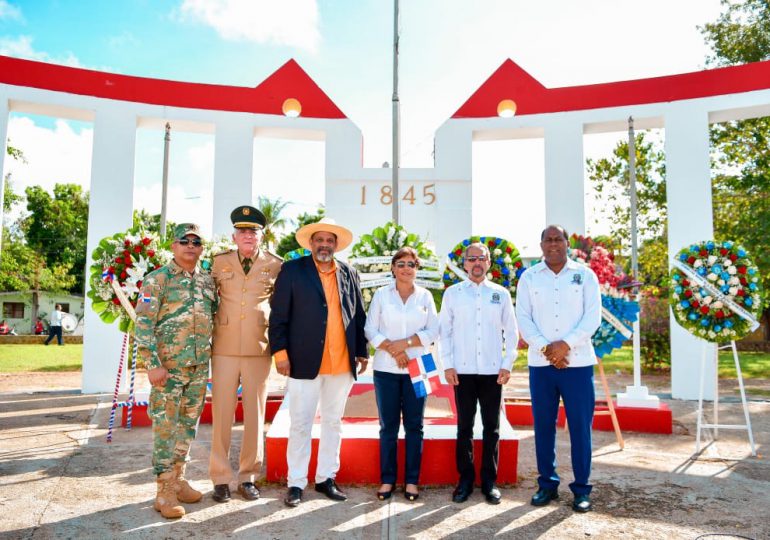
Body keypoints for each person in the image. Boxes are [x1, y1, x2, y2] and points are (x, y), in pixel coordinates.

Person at [269, 217, 368, 508]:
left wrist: (361, 351)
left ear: (336, 244)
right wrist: (281, 354)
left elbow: (358, 314)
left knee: (333, 423)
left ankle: (326, 478)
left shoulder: (349, 272)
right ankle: (296, 482)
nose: (325, 245)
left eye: (330, 240)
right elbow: (278, 316)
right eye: (319, 240)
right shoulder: (292, 271)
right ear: (311, 243)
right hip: (302, 362)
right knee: (300, 424)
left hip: (341, 363)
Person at [516, 224, 601, 513]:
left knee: (580, 427)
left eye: (558, 239)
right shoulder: (529, 278)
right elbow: (523, 319)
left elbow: (592, 318)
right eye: (548, 240)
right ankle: (547, 484)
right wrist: (547, 348)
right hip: (541, 365)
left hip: (577, 363)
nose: (553, 244)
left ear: (567, 243)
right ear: (541, 244)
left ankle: (581, 489)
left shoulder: (585, 275)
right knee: (543, 426)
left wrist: (565, 345)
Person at [135, 223, 218, 519]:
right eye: (185, 241)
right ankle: (164, 491)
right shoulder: (157, 280)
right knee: (166, 428)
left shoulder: (207, 281)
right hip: (168, 370)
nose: (191, 246)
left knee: (187, 427)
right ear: (173, 245)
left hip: (197, 367)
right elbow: (143, 324)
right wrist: (152, 364)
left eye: (197, 242)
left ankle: (178, 479)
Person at [208, 205, 283, 503]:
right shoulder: (217, 263)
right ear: (234, 236)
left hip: (258, 346)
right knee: (222, 413)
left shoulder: (276, 265)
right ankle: (220, 477)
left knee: (255, 414)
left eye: (253, 231)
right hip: (223, 347)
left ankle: (248, 476)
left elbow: (281, 308)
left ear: (261, 236)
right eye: (242, 231)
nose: (247, 236)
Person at [439, 242, 519, 505]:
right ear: (464, 264)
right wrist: (447, 364)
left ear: (488, 263)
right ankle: (465, 480)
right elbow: (445, 332)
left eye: (481, 258)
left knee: (491, 428)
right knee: (464, 427)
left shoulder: (500, 294)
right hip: (461, 371)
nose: (476, 263)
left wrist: (507, 363)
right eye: (471, 258)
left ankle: (489, 481)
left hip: (492, 372)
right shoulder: (453, 294)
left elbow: (512, 332)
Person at [364, 247, 439, 502]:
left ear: (417, 268)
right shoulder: (382, 296)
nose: (407, 268)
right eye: (401, 263)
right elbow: (370, 329)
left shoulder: (426, 296)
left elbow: (433, 331)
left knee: (415, 426)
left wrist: (404, 345)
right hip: (386, 368)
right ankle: (387, 480)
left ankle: (411, 481)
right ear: (393, 268)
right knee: (388, 427)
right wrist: (393, 350)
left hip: (421, 367)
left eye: (411, 264)